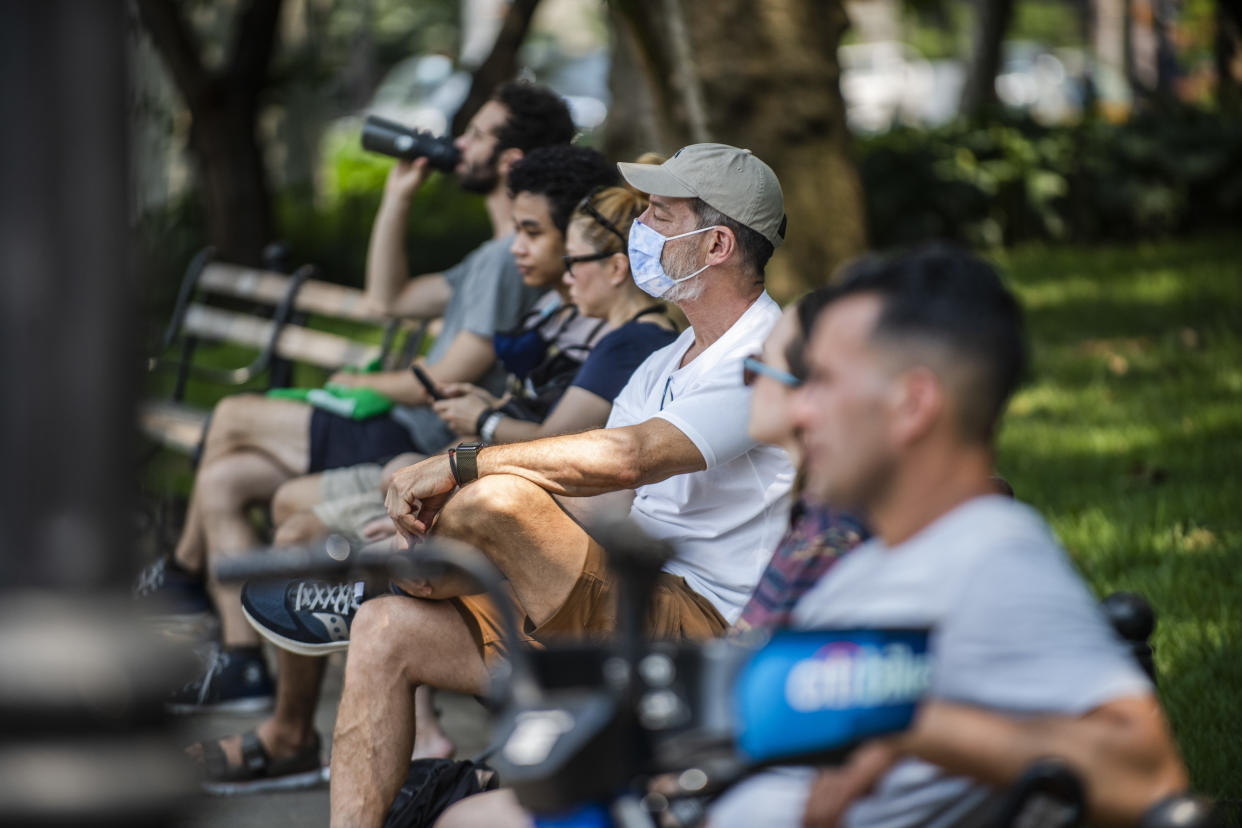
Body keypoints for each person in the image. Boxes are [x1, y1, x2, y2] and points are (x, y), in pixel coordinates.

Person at [327, 143, 795, 826]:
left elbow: (632, 457)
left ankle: (411, 571)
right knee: (383, 630)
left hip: (703, 636)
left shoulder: (764, 353)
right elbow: (598, 500)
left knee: (496, 497)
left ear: (716, 243)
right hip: (616, 597)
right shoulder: (665, 360)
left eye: (660, 216)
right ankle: (402, 583)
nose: (641, 231)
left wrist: (464, 464)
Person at [191, 150, 680, 794]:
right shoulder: (598, 330)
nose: (557, 271)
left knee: (310, 528)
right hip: (473, 483)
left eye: (556, 248)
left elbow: (569, 451)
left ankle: (360, 610)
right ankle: (344, 664)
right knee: (296, 513)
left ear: (614, 268)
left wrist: (473, 433)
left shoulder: (632, 344)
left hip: (537, 526)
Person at [708, 245, 1187, 827]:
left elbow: (1147, 776)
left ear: (913, 404)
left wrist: (899, 720)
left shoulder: (990, 555)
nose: (801, 411)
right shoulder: (879, 559)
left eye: (825, 382)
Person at [138, 80, 576, 714]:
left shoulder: (512, 263)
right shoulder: (489, 257)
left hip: (409, 441)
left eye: (477, 134)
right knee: (225, 480)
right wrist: (397, 198)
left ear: (510, 161)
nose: (458, 143)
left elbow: (443, 378)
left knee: (233, 414)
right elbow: (387, 300)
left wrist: (355, 383)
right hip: (392, 430)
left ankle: (181, 577)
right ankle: (240, 666)